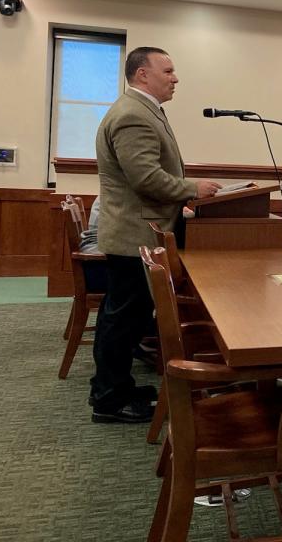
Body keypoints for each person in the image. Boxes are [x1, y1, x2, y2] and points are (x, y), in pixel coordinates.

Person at [89, 47, 221, 424]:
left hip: (139, 229)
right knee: (123, 318)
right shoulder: (133, 114)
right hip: (135, 235)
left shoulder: (143, 110)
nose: (175, 78)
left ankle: (116, 387)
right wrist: (191, 188)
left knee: (123, 317)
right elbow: (145, 178)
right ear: (142, 74)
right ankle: (109, 400)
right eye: (168, 70)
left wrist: (180, 202)